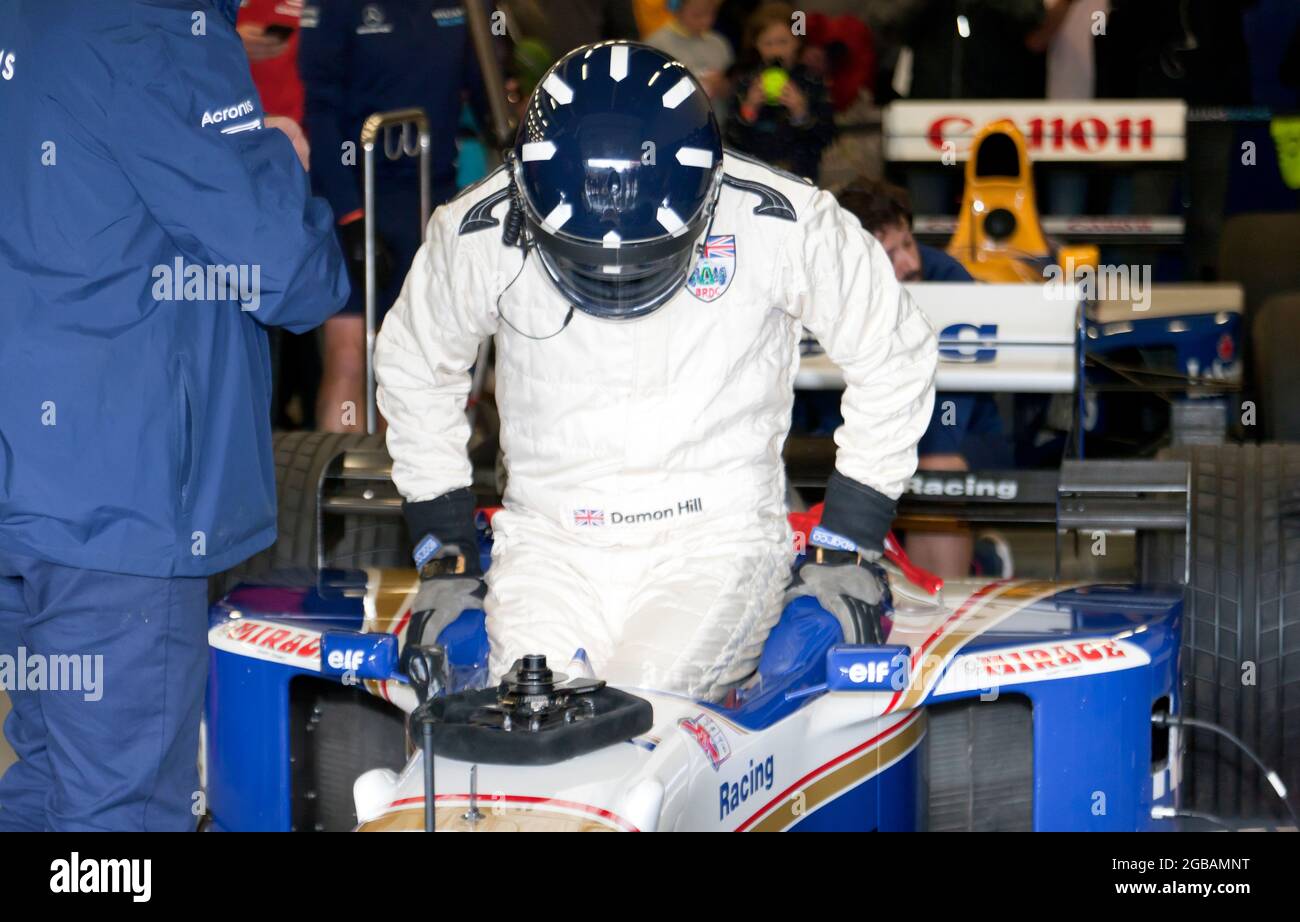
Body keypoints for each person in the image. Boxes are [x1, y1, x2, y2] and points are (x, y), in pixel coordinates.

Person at [375, 43, 936, 702]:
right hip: (550, 544)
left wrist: (850, 538)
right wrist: (445, 551)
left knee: (643, 714)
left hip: (712, 541)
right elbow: (414, 362)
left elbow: (893, 348)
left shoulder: (778, 219)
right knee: (522, 720)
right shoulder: (479, 228)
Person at [0, 0, 349, 831]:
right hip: (117, 501)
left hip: (31, 476)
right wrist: (276, 157)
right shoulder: (160, 28)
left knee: (47, 773)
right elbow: (289, 270)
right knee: (121, 812)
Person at [299, 0, 487, 432]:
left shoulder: (468, 6)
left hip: (430, 197)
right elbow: (320, 111)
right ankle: (342, 486)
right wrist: (349, 216)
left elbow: (485, 91)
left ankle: (400, 486)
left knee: (413, 361)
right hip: (354, 193)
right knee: (349, 353)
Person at [835, 179, 1013, 579]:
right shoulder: (832, 287)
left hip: (960, 432)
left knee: (934, 464)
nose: (909, 264)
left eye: (908, 244)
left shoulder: (948, 279)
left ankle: (940, 609)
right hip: (863, 427)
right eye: (890, 255)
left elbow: (950, 411)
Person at [725, 2, 836, 181]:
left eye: (783, 42)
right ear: (756, 45)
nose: (776, 50)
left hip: (801, 175)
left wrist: (801, 113)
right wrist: (749, 108)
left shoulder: (811, 82)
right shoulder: (747, 83)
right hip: (757, 175)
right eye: (767, 43)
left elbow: (826, 137)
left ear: (797, 42)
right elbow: (733, 139)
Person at [646, 0, 734, 110]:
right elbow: (649, 93)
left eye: (712, 13)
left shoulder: (719, 44)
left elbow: (733, 89)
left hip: (717, 121)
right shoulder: (657, 44)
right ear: (677, 9)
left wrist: (722, 86)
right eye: (697, 15)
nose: (706, 20)